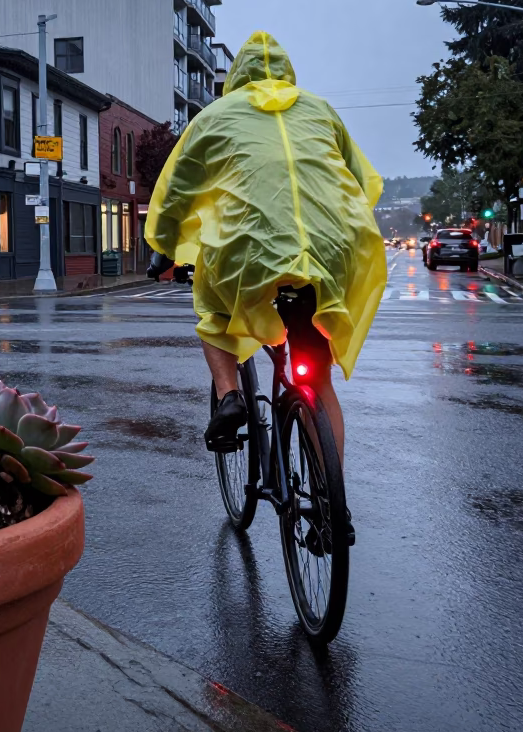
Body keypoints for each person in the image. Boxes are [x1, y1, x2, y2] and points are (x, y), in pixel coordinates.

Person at [145, 31, 387, 481]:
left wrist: (163, 248)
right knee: (318, 377)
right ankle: (332, 500)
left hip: (248, 250)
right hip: (329, 249)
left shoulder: (215, 116)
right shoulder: (319, 109)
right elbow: (359, 181)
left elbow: (177, 192)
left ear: (236, 77)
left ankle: (229, 395)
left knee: (214, 313)